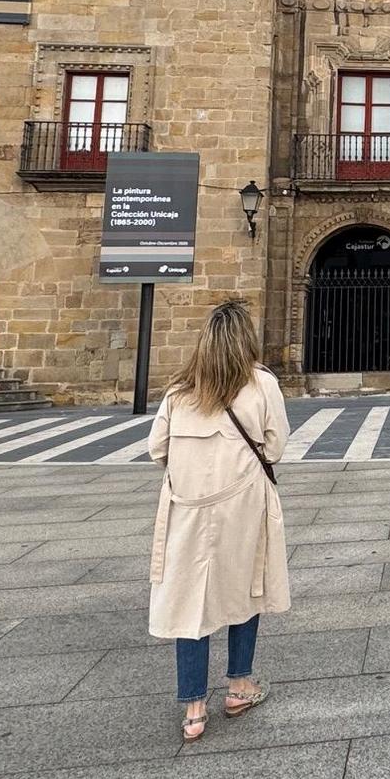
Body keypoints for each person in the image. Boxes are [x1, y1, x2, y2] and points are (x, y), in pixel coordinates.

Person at [147, 297, 291, 741]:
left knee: (189, 601)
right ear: (246, 341)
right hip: (242, 505)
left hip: (187, 511)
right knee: (247, 588)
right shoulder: (261, 384)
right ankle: (239, 686)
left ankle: (193, 710)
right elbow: (275, 447)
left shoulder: (179, 391)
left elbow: (157, 449)